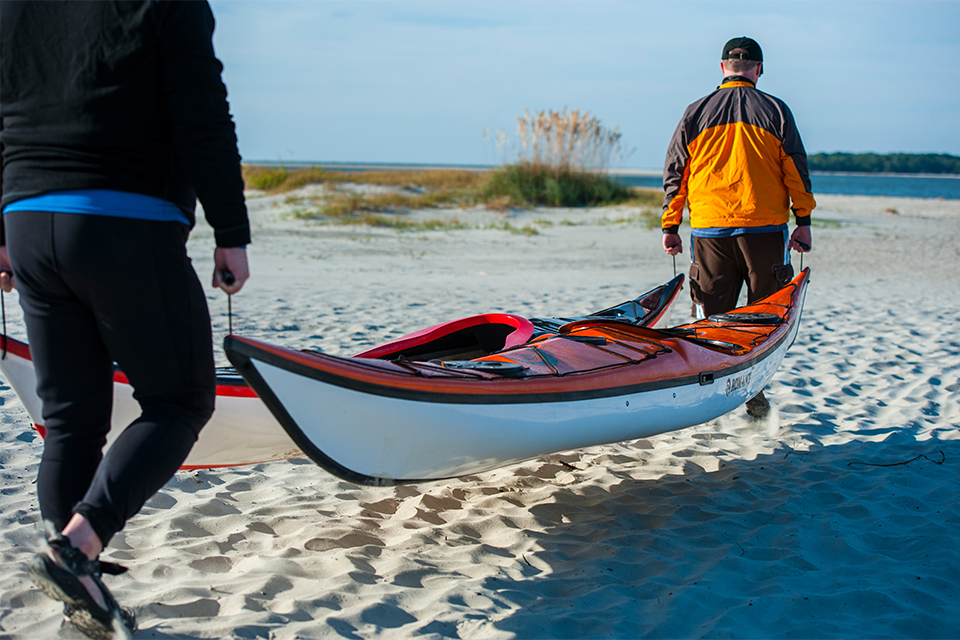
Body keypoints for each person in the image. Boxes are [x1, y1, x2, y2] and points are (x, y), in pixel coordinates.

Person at [0, 1, 250, 637]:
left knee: (70, 424)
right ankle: (80, 546)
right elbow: (202, 114)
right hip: (125, 223)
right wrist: (231, 229)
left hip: (27, 222)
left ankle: (75, 588)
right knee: (180, 400)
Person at [661, 36, 814, 419]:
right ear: (759, 69)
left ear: (722, 67)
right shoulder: (776, 110)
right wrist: (804, 221)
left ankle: (710, 393)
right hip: (764, 229)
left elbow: (676, 171)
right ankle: (753, 389)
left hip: (710, 229)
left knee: (713, 317)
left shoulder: (696, 111)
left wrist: (671, 224)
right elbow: (795, 170)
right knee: (762, 314)